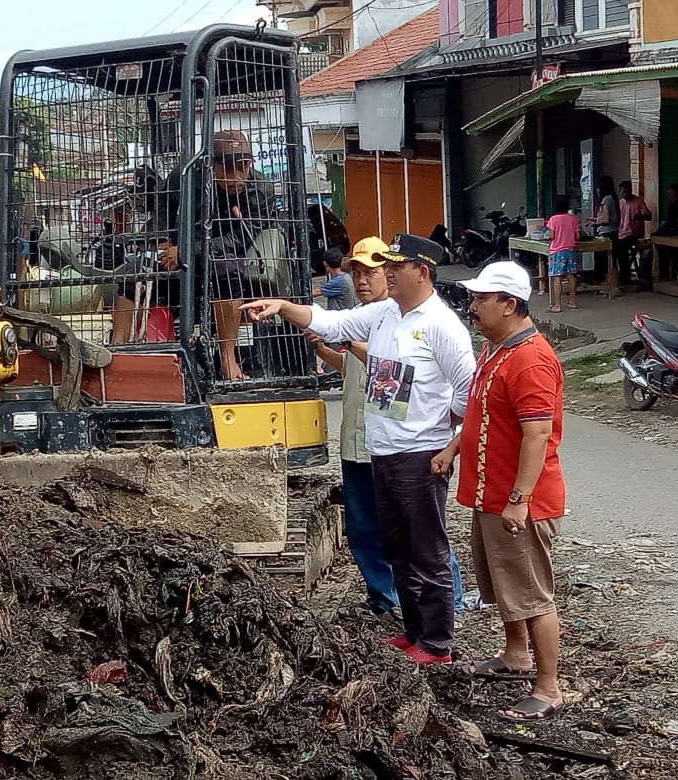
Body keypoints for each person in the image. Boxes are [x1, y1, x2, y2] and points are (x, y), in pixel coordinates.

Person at [242, 234, 476, 664]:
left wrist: (443, 429)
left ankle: (438, 641)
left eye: (395, 266)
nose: (387, 272)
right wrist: (282, 306)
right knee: (398, 549)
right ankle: (413, 630)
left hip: (418, 454)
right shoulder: (386, 314)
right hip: (381, 451)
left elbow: (468, 391)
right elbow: (332, 324)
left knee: (427, 548)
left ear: (421, 272)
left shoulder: (442, 326)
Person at [432, 260, 566, 723]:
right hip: (492, 493)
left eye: (481, 300)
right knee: (505, 586)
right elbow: (477, 414)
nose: (473, 307)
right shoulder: (495, 349)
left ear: (509, 305)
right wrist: (453, 450)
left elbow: (537, 434)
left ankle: (548, 688)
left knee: (531, 593)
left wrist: (519, 499)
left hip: (518, 501)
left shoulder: (530, 359)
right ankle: (515, 655)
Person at [310, 237, 467, 621]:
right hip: (362, 440)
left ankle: (447, 608)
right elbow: (351, 370)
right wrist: (324, 347)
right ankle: (387, 598)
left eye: (374, 272)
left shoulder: (408, 321)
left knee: (422, 537)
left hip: (404, 445)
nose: (364, 280)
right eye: (357, 273)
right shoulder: (369, 318)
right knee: (369, 529)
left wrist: (349, 342)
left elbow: (398, 376)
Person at [157, 130, 277, 380]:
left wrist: (186, 251)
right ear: (212, 166)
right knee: (133, 272)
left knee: (227, 266)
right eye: (230, 169)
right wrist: (166, 240)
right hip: (186, 254)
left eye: (244, 167)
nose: (238, 177)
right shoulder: (188, 175)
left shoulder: (260, 189)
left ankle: (227, 357)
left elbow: (239, 239)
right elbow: (163, 200)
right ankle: (122, 350)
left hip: (231, 259)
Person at [615, 180, 651, 292]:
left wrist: (640, 216)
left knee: (622, 248)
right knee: (616, 247)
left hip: (634, 233)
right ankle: (622, 274)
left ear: (631, 190)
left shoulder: (638, 201)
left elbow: (649, 216)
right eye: (623, 192)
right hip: (622, 233)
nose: (625, 194)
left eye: (627, 192)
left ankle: (625, 276)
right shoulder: (621, 203)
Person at [545, 196, 579, 313]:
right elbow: (577, 236)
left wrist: (547, 236)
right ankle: (573, 302)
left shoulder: (553, 219)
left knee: (557, 277)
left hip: (557, 252)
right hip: (570, 250)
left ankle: (558, 305)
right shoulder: (572, 218)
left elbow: (551, 236)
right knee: (571, 276)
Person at [585, 176, 619, 286]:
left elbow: (606, 219)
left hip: (607, 233)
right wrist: (595, 220)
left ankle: (609, 284)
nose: (597, 190)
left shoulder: (606, 200)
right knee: (611, 260)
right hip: (612, 231)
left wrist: (596, 223)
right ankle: (612, 285)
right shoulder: (612, 198)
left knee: (605, 261)